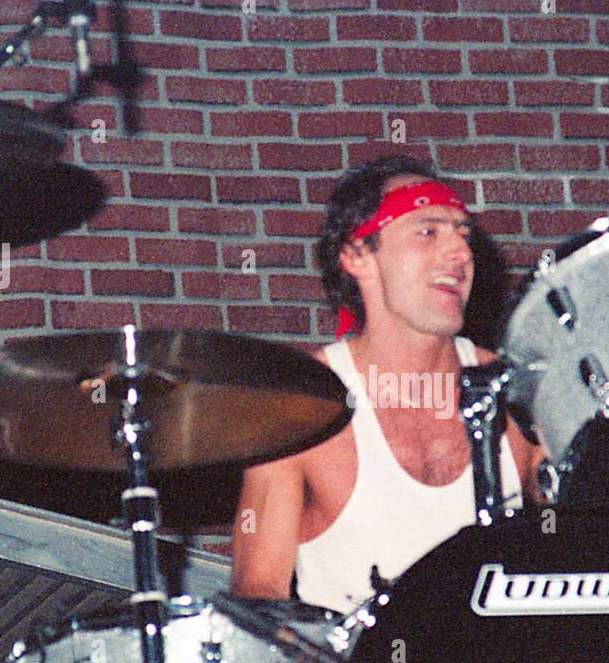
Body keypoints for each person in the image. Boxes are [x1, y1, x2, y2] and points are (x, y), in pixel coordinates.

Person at [229, 155, 544, 613]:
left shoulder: (520, 389)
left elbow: (597, 558)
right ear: (357, 255)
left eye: (462, 233)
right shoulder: (301, 407)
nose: (460, 253)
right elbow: (258, 598)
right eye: (428, 231)